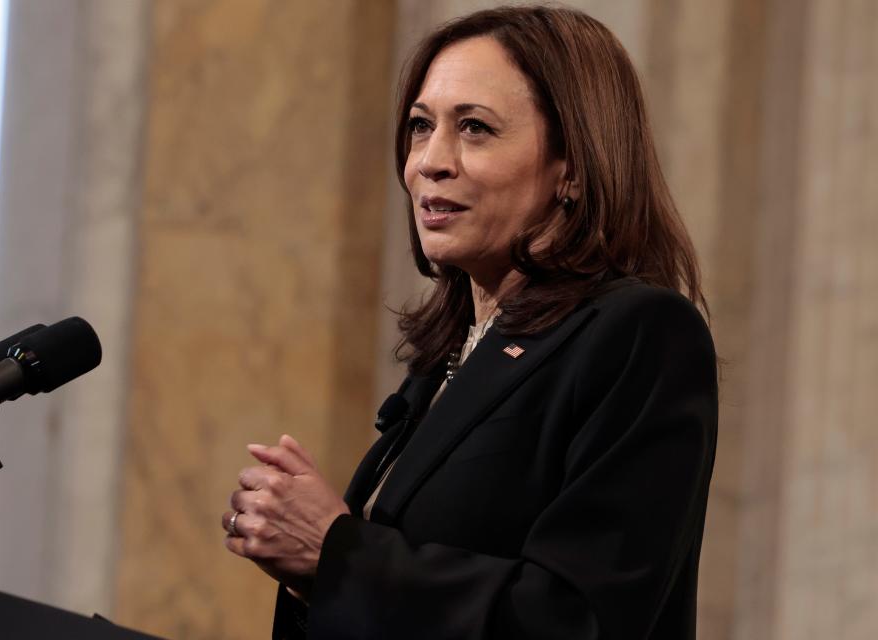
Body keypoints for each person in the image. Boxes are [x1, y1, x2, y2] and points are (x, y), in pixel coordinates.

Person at [221, 5, 718, 639]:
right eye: (421, 126)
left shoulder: (640, 335)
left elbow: (581, 620)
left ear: (573, 166)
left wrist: (336, 553)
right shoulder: (449, 356)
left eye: (475, 128)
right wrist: (306, 564)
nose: (430, 160)